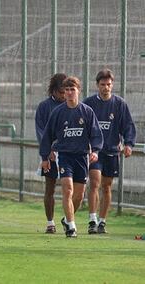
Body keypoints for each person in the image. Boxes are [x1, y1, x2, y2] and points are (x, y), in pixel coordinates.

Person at [40, 76, 103, 238]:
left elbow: (96, 134)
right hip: (65, 156)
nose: (69, 93)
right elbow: (47, 136)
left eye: (72, 89)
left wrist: (95, 150)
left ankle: (67, 220)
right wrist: (45, 157)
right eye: (66, 90)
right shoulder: (58, 112)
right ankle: (72, 227)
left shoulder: (87, 112)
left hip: (82, 157)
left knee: (79, 195)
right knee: (67, 190)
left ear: (78, 91)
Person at [83, 69, 136, 234]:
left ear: (112, 85)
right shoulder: (89, 103)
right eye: (102, 84)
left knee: (106, 187)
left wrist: (129, 144)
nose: (106, 87)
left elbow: (128, 125)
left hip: (112, 151)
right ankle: (92, 219)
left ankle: (102, 222)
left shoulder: (120, 104)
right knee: (95, 183)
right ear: (97, 85)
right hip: (95, 152)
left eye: (108, 84)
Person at [35, 73, 67, 234]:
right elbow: (41, 132)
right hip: (51, 155)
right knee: (50, 188)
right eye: (61, 92)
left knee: (74, 189)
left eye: (66, 91)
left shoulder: (73, 106)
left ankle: (68, 219)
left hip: (70, 153)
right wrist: (47, 152)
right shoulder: (44, 107)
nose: (64, 95)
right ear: (53, 91)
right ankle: (50, 222)